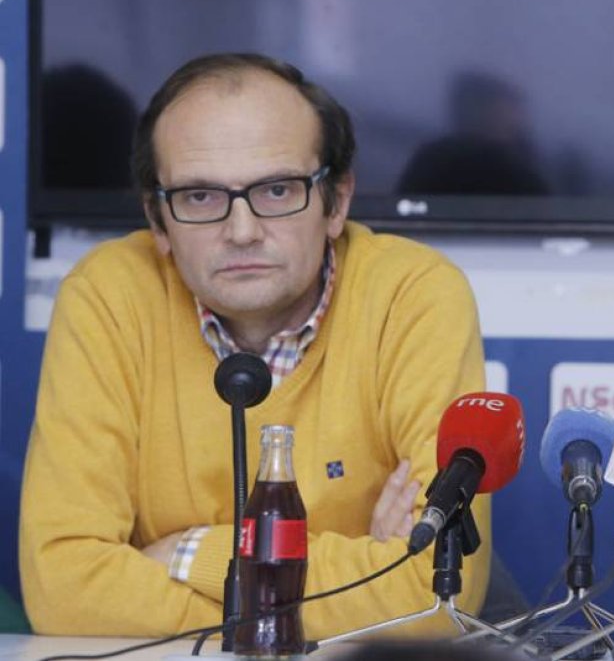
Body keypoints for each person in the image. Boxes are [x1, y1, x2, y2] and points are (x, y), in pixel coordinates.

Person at [19, 53, 490, 638]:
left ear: (336, 202)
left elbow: (435, 591)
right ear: (157, 222)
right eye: (199, 197)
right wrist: (358, 574)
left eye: (276, 189)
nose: (241, 230)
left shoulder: (413, 296)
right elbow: (64, 590)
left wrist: (190, 556)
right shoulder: (108, 296)